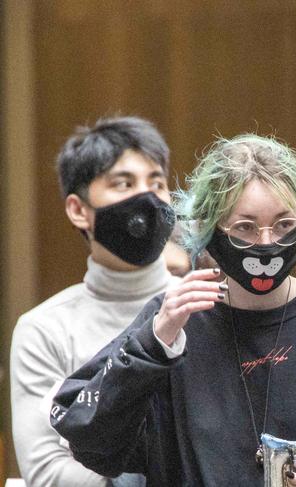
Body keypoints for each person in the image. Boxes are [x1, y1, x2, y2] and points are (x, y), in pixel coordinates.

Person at [50, 134, 296, 486]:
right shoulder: (174, 323)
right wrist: (152, 346)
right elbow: (91, 440)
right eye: (244, 228)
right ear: (209, 229)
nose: (266, 243)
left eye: (283, 225)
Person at [10, 116, 178, 487]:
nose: (147, 198)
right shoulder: (45, 329)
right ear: (78, 209)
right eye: (124, 183)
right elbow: (47, 472)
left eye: (157, 183)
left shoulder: (201, 305)